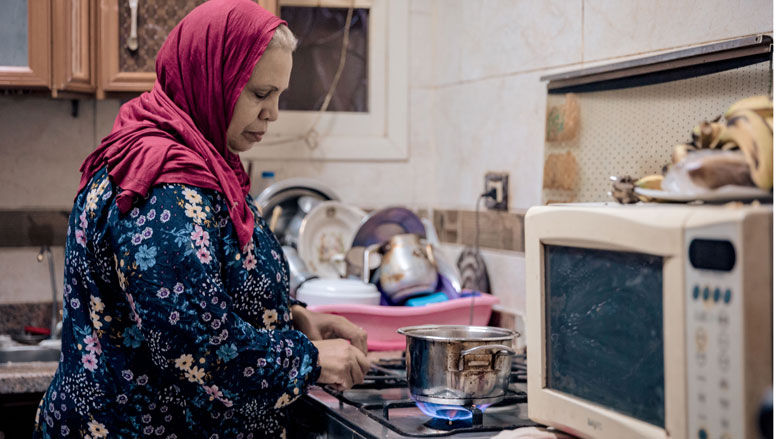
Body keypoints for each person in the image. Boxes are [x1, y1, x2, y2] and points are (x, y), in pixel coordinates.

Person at [33, 1, 370, 437]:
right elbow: (198, 346)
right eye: (260, 93)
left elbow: (204, 293)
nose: (273, 113)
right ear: (211, 77)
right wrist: (311, 359)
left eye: (279, 95)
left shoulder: (194, 164)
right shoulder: (164, 189)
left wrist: (294, 320)